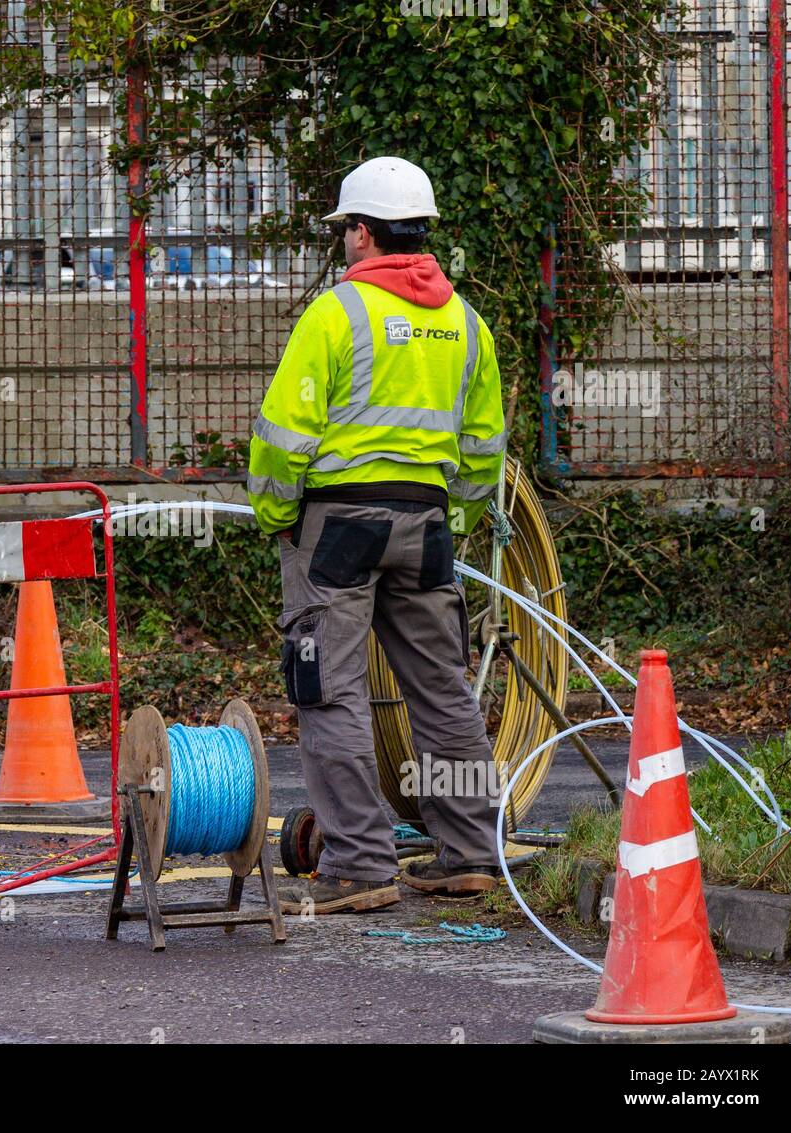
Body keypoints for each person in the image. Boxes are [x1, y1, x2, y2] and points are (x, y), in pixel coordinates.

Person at [248, 156, 507, 915]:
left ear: (363, 231)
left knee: (330, 690)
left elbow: (282, 436)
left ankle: (360, 864)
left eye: (345, 230)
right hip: (426, 525)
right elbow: (484, 447)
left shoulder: (336, 314)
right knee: (443, 690)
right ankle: (469, 854)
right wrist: (449, 519)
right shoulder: (466, 321)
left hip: (337, 527)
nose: (343, 244)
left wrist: (276, 515)